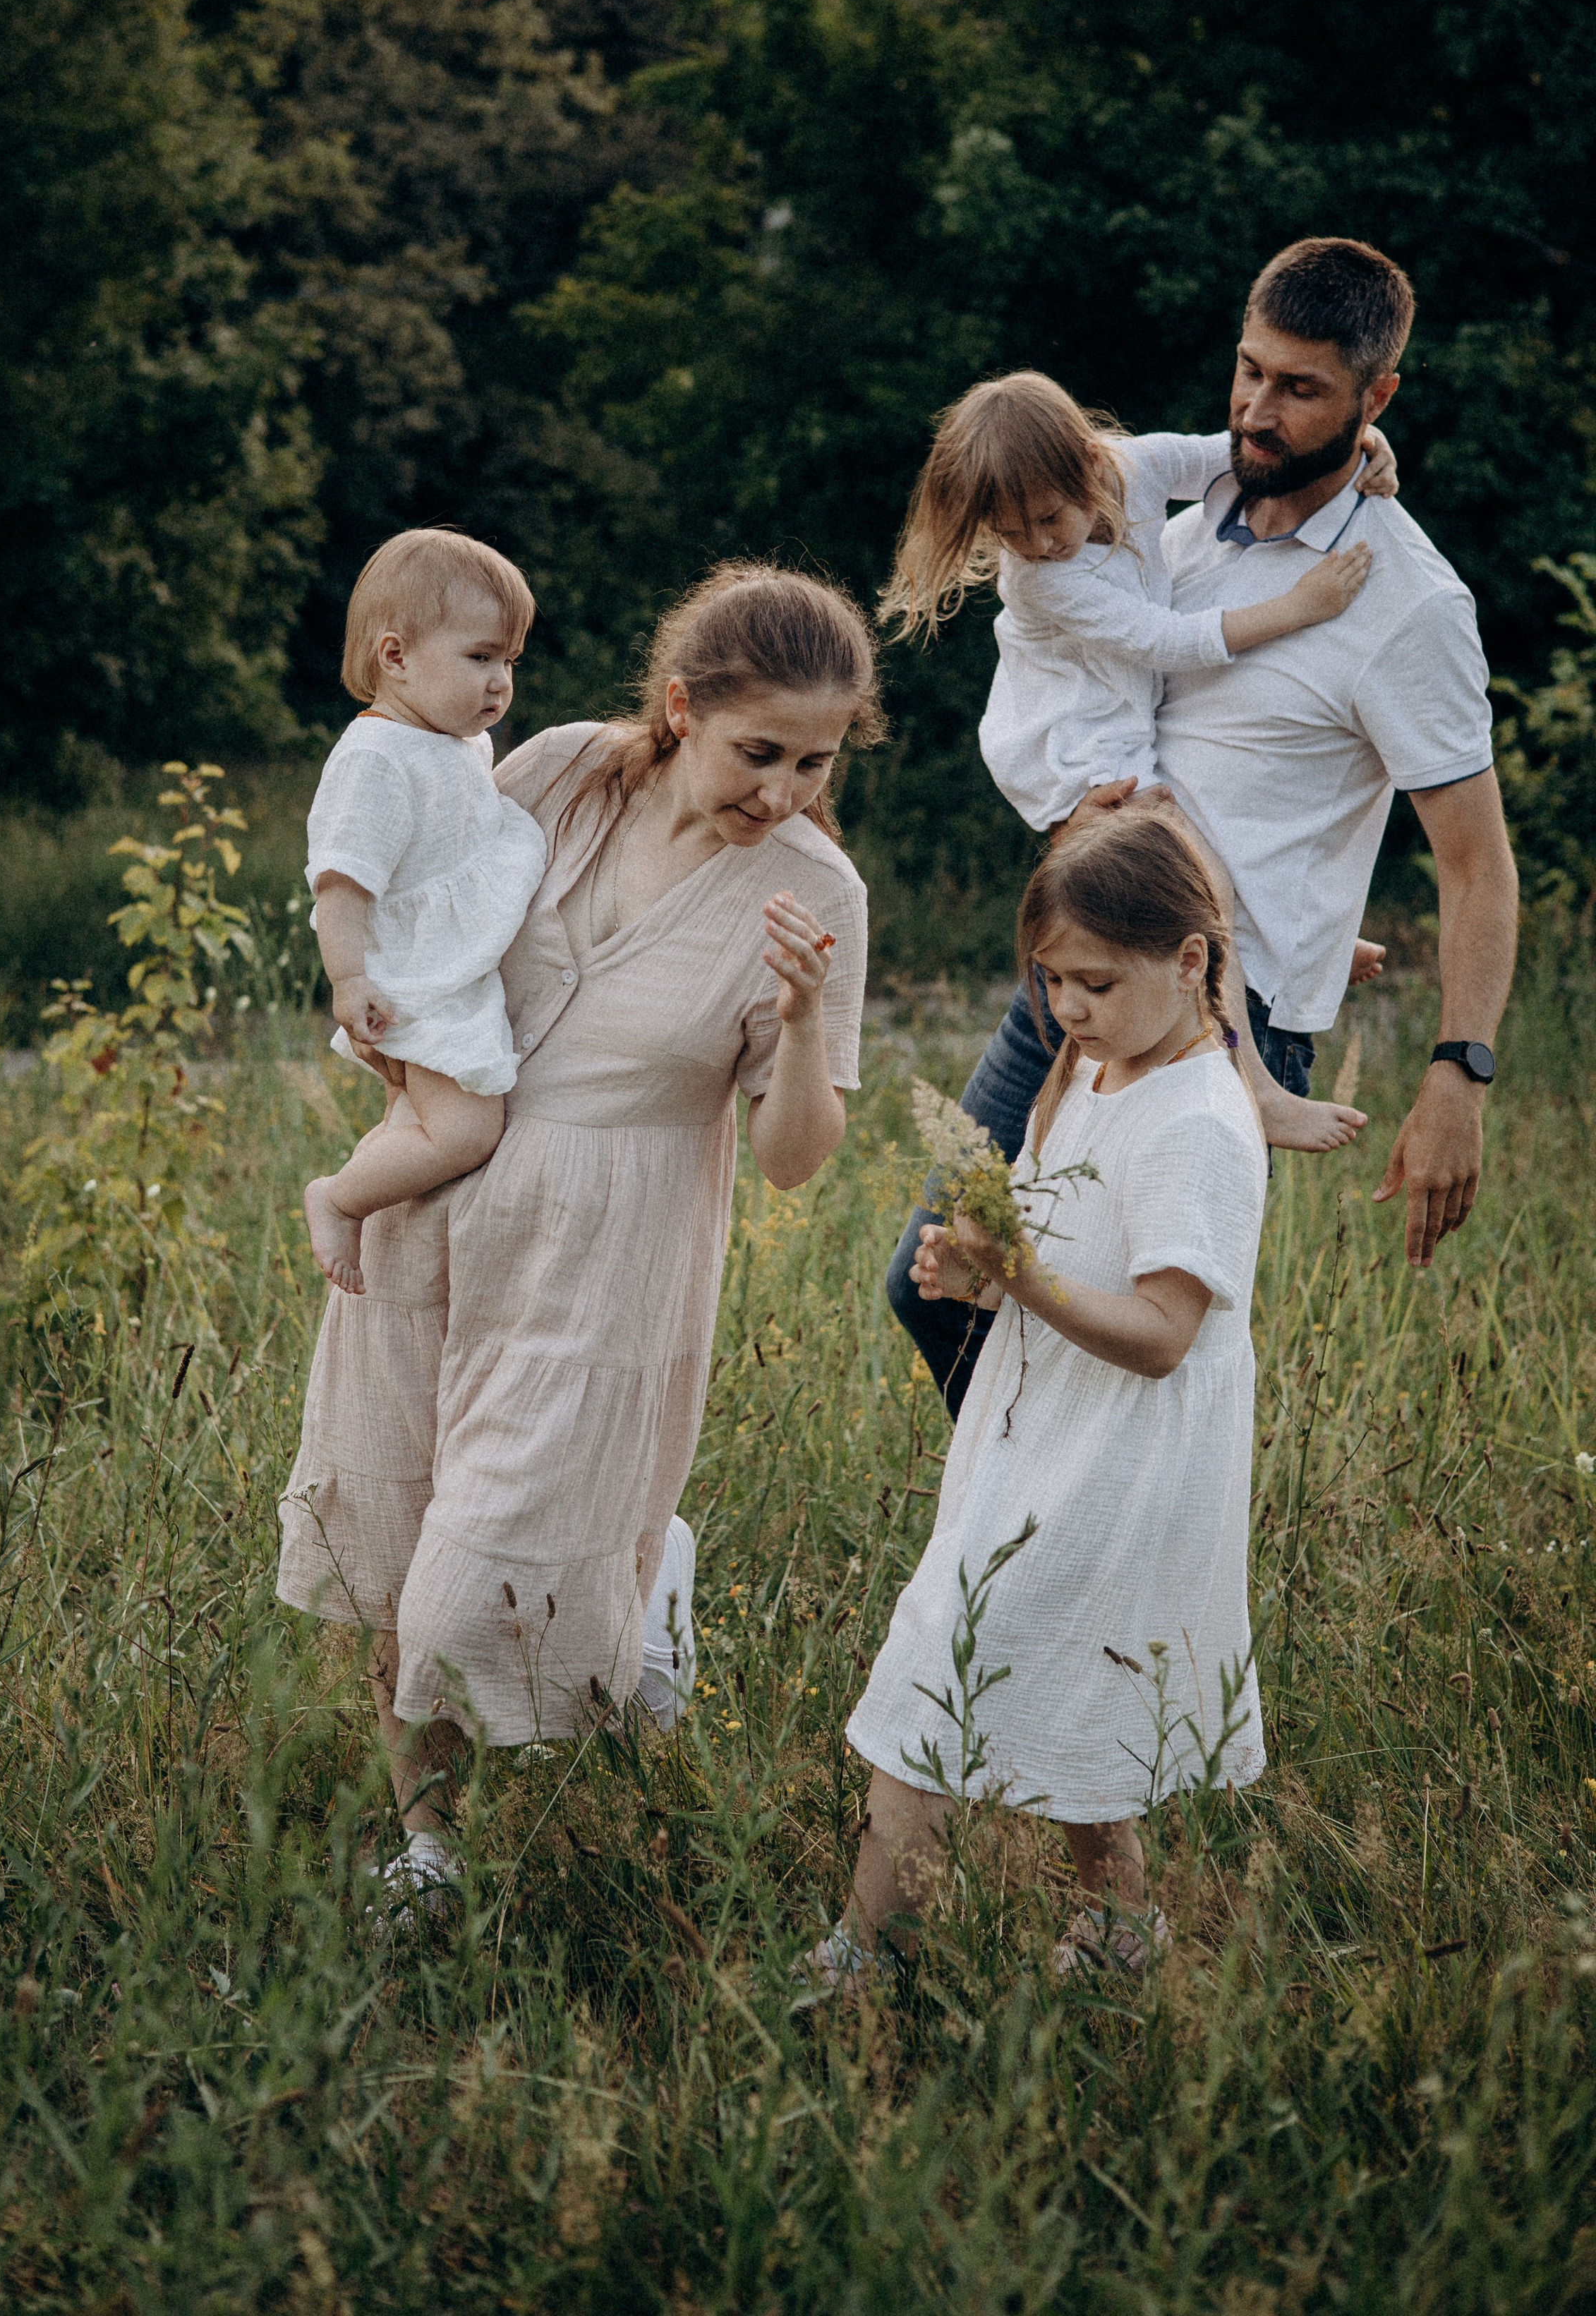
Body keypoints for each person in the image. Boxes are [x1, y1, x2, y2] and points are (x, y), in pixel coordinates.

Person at [277, 563, 875, 1914]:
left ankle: (639, 1594)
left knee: (461, 1592)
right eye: (759, 752)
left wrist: (791, 1019)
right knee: (387, 1547)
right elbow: (413, 904)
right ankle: (426, 1844)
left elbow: (794, 1162)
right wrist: (384, 1068)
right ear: (680, 709)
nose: (783, 789)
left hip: (604, 1261)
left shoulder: (813, 894)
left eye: (819, 763)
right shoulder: (550, 774)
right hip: (433, 1209)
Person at [887, 237, 1518, 1414]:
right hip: (1076, 976)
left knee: (1139, 1358)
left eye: (1301, 389)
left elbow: (1477, 866)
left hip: (1220, 1014)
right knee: (938, 1287)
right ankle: (1023, 1544)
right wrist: (1074, 799)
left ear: (1376, 400)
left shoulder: (1409, 603)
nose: (1254, 413)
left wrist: (1460, 1076)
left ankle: (1117, 1577)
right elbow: (1112, 700)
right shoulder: (1178, 523)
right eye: (1248, 371)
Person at [814, 813, 1268, 1995]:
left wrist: (1022, 1279)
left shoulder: (1203, 1124)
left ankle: (866, 1963)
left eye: (1098, 982)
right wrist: (979, 1274)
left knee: (937, 1674)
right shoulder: (1090, 1070)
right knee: (1063, 1677)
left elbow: (1167, 1335)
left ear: (1192, 959)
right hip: (1034, 1433)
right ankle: (1120, 1927)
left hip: (1119, 1458)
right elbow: (1061, 1246)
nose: (1067, 1009)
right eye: (1052, 980)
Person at [879, 367, 1393, 1155]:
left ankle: (1298, 945)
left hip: (1126, 717)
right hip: (1084, 751)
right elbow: (1162, 639)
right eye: (1010, 533)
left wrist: (1358, 448)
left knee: (1203, 863)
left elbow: (1237, 458)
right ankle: (1255, 1083)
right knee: (1199, 886)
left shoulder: (1133, 464)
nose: (1040, 544)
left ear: (1089, 460)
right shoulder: (1042, 583)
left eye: (1048, 518)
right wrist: (1299, 607)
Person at [300, 530, 548, 1296]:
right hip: (415, 981)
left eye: (509, 661)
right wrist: (350, 982)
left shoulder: (454, 744)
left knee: (418, 1128)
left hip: (452, 972)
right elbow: (341, 886)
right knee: (468, 1131)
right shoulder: (376, 757)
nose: (499, 681)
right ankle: (338, 1197)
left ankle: (383, 1214)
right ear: (396, 656)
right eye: (479, 658)